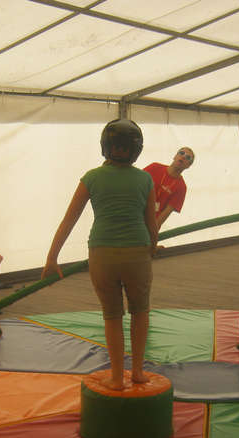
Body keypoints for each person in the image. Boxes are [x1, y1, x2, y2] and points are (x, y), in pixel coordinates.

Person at [42, 118, 158, 390]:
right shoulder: (145, 179)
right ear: (137, 149)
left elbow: (68, 220)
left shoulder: (92, 177)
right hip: (137, 254)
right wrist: (152, 247)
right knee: (140, 311)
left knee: (112, 316)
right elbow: (151, 224)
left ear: (106, 146)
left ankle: (117, 377)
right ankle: (138, 371)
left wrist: (52, 257)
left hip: (102, 255)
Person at [143, 147, 194, 232]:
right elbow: (135, 187)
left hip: (148, 227)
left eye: (188, 157)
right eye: (181, 153)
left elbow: (164, 215)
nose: (183, 157)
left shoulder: (181, 187)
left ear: (188, 166)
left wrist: (150, 231)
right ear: (175, 156)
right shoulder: (154, 167)